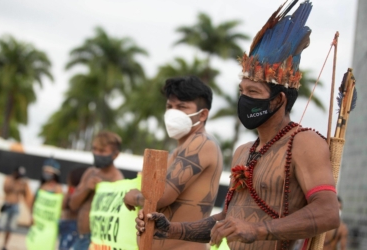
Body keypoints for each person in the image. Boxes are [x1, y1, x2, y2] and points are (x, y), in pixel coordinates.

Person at [135, 1, 340, 250]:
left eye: (253, 91)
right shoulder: (244, 151)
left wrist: (258, 229)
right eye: (242, 91)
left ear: (279, 100)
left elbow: (329, 212)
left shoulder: (303, 142)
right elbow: (227, 222)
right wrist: (171, 229)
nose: (243, 99)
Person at [124, 75, 223, 250]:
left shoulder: (201, 143)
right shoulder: (176, 151)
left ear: (203, 114)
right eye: (169, 107)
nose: (173, 112)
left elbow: (161, 197)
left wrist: (133, 196)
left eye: (182, 107)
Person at [69, 131, 123, 250]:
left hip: (96, 242)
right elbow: (73, 204)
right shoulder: (90, 172)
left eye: (102, 151)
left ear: (115, 155)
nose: (97, 153)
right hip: (79, 237)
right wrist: (87, 188)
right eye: (95, 149)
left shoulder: (117, 181)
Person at [0, 166, 32, 250]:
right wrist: (15, 182)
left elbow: (26, 195)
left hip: (16, 207)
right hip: (7, 205)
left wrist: (25, 185)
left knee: (10, 228)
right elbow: (6, 189)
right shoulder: (8, 179)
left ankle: (5, 245)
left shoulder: (22, 183)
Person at [58, 167, 88, 250]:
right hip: (74, 227)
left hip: (70, 226)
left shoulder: (73, 191)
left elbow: (63, 206)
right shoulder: (84, 192)